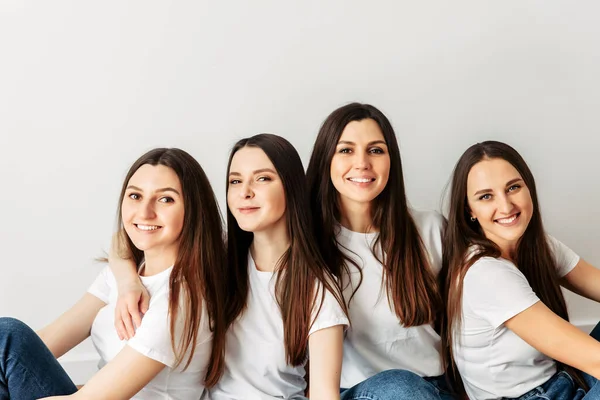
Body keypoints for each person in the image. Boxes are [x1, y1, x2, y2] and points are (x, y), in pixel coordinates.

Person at [111, 135, 349, 399]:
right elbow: (124, 238)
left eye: (262, 179)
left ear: (291, 187)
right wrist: (127, 282)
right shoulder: (220, 260)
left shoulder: (316, 289)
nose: (245, 192)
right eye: (235, 181)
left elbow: (324, 394)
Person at [0, 148, 228, 400]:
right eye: (135, 196)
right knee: (9, 339)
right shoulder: (127, 272)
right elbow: (41, 345)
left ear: (194, 210)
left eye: (165, 199)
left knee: (9, 334)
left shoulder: (178, 303)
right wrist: (128, 280)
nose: (144, 212)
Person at [305, 103, 454, 400]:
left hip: (436, 388)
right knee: (400, 387)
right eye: (346, 150)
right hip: (358, 392)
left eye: (375, 150)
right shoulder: (310, 244)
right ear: (326, 160)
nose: (362, 163)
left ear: (391, 160)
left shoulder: (431, 229)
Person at [441, 140, 600, 400]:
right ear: (469, 210)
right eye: (486, 196)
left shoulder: (535, 245)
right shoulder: (486, 274)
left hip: (562, 385)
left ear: (529, 187)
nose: (505, 207)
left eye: (513, 187)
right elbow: (596, 361)